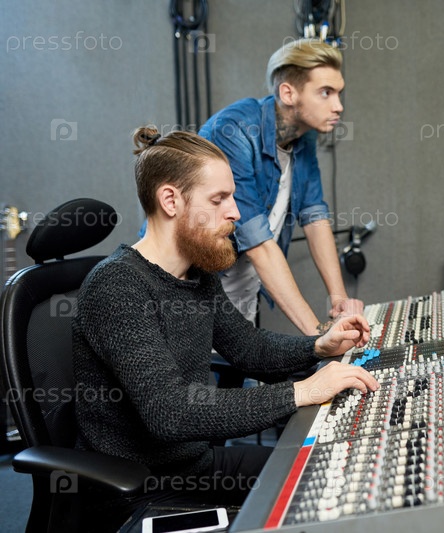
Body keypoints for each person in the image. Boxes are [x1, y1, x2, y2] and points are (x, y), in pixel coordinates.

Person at [72, 126, 379, 528]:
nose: (235, 212)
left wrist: (319, 346)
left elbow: (248, 347)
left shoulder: (197, 274)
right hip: (138, 491)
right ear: (170, 200)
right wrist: (303, 391)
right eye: (219, 200)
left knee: (326, 473)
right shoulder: (117, 286)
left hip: (194, 466)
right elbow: (170, 411)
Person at [198, 38, 362, 335]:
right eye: (325, 93)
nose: (338, 106)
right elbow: (257, 242)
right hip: (191, 294)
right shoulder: (234, 130)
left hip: (243, 292)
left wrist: (339, 301)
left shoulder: (305, 136)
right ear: (288, 93)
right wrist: (317, 337)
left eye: (339, 93)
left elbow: (315, 216)